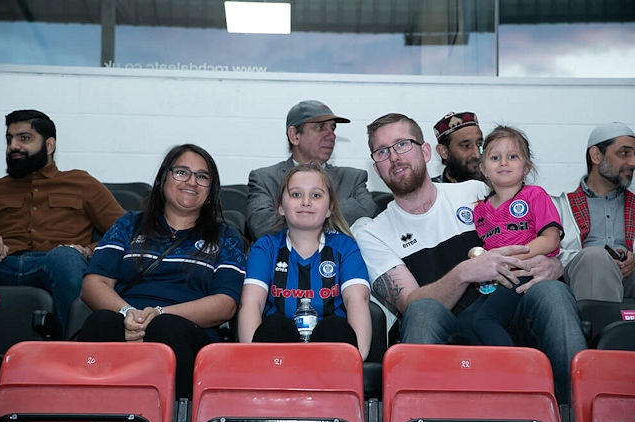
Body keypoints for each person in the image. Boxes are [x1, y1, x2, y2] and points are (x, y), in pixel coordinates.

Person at [351, 113, 586, 404]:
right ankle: (412, 414)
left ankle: (576, 411)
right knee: (423, 310)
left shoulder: (475, 192)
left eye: (402, 144)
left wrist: (553, 264)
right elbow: (410, 303)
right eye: (382, 151)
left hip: (507, 317)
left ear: (425, 152)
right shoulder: (373, 233)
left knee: (552, 291)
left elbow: (538, 231)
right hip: (446, 330)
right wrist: (465, 272)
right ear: (377, 167)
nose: (394, 157)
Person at [78, 144, 247, 399]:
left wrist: (158, 315)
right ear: (163, 178)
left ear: (211, 190)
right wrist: (129, 314)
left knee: (167, 328)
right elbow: (94, 284)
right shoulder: (129, 224)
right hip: (126, 319)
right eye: (182, 172)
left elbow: (225, 305)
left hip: (188, 333)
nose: (192, 181)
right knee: (102, 321)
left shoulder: (226, 236)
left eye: (202, 176)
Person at [0, 109, 124, 330]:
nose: (14, 146)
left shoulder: (80, 183)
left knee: (65, 257)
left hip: (54, 263)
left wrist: (86, 250)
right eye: (10, 139)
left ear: (49, 145)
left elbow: (127, 232)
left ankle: (75, 347)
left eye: (24, 138)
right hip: (3, 264)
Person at [239, 162, 372, 360]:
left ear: (329, 208)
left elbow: (357, 301)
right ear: (280, 207)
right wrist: (253, 359)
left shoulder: (345, 247)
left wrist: (357, 360)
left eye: (316, 195)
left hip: (330, 354)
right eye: (296, 194)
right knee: (275, 325)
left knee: (334, 326)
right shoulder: (265, 247)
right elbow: (251, 303)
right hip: (278, 354)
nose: (306, 202)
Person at [471, 125, 563, 346]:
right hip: (496, 280)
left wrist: (510, 260)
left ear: (527, 166)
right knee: (463, 323)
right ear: (483, 168)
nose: (504, 162)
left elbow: (551, 239)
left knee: (484, 321)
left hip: (526, 273)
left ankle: (517, 373)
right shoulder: (479, 210)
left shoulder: (535, 195)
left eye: (512, 156)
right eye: (495, 157)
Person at [247, 100, 377, 240]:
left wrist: (298, 215)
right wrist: (324, 213)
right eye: (320, 127)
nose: (331, 135)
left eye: (332, 128)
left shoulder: (352, 178)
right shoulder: (265, 179)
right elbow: (261, 227)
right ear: (294, 136)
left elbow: (367, 214)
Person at [552, 122, 635, 302]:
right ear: (596, 156)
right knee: (595, 257)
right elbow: (551, 251)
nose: (633, 162)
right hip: (579, 279)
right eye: (624, 153)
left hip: (630, 280)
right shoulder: (559, 202)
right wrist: (602, 261)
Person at [431, 111, 485, 183]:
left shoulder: (496, 188)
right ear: (444, 151)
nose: (477, 155)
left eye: (479, 145)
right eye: (466, 146)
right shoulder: (430, 191)